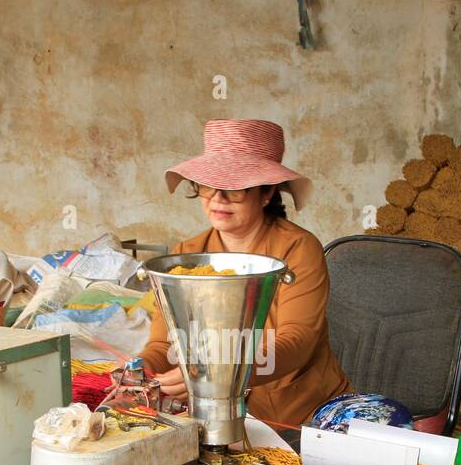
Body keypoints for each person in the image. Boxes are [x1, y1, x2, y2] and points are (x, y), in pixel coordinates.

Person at [137, 119, 351, 434]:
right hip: (213, 416)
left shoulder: (297, 248)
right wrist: (144, 367)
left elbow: (297, 341)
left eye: (235, 189)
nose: (218, 199)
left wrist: (215, 374)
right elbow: (164, 343)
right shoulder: (187, 255)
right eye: (208, 186)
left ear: (266, 193)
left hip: (301, 418)